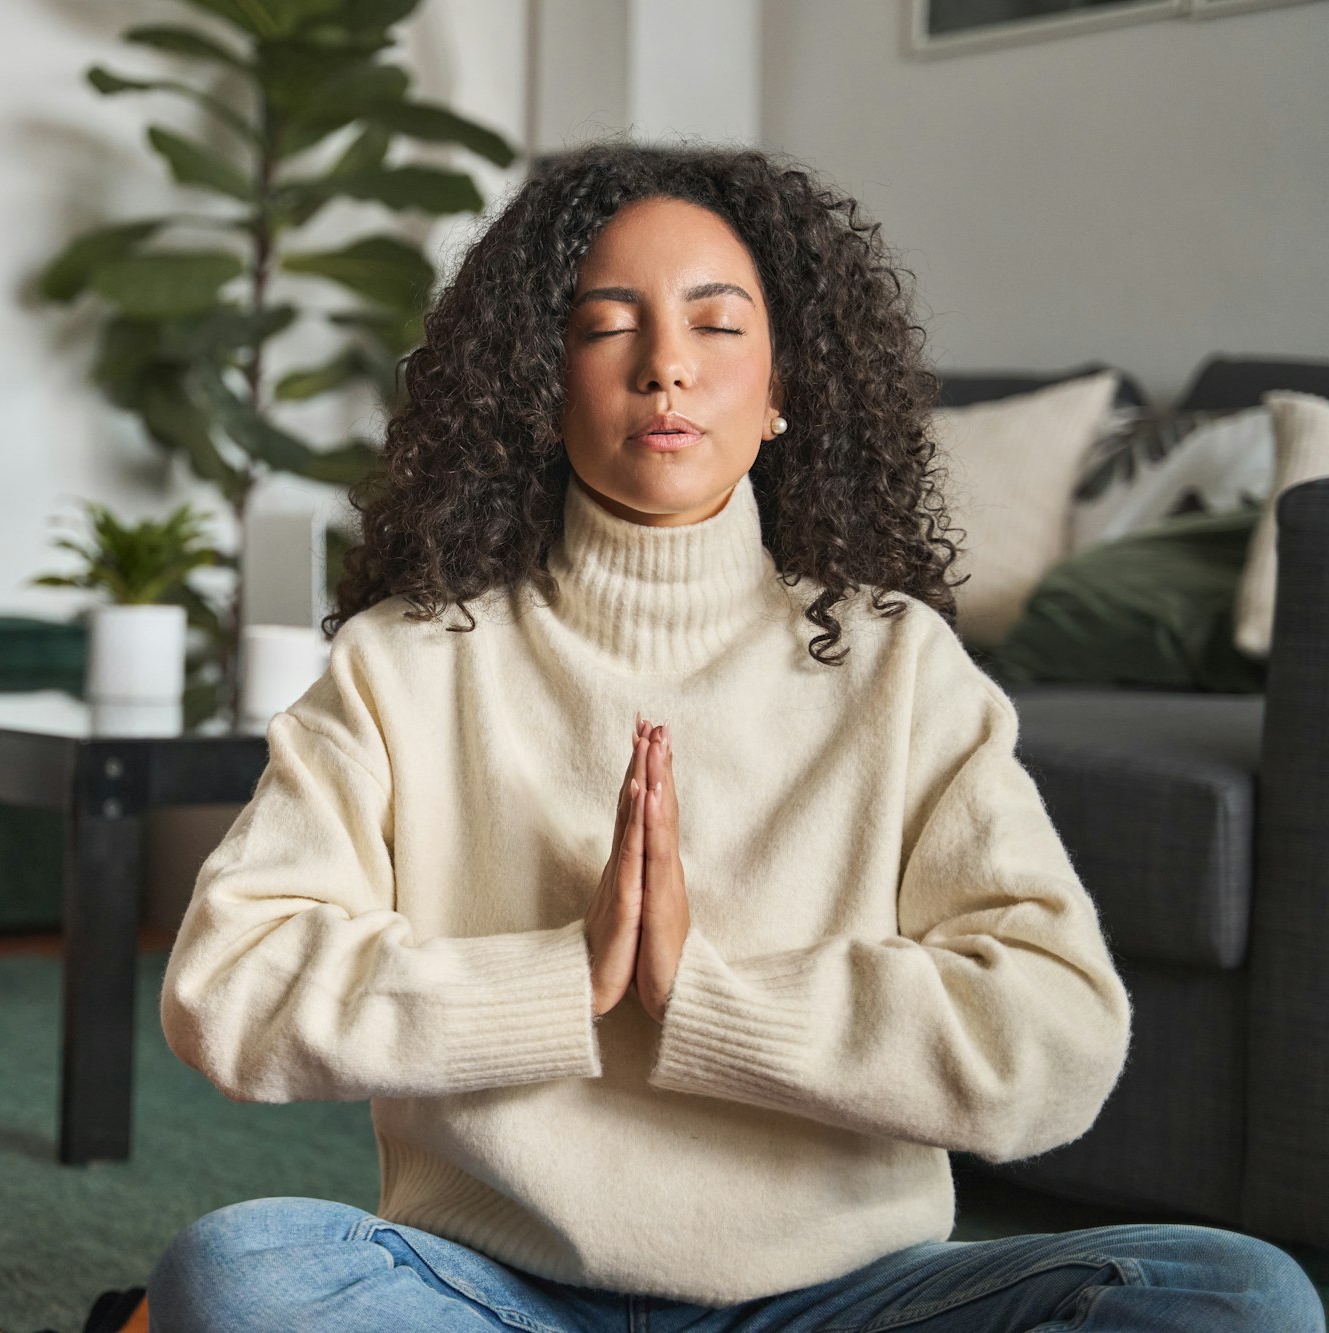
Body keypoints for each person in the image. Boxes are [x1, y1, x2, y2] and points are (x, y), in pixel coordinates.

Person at [143, 139, 1326, 1331]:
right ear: (539, 384)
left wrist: (706, 999)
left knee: (1239, 1296)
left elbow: (1059, 1037)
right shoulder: (405, 659)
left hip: (843, 1303)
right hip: (495, 1296)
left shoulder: (895, 662)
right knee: (241, 1271)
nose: (665, 367)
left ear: (778, 392)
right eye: (606, 327)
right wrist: (564, 974)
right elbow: (223, 988)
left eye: (715, 326)